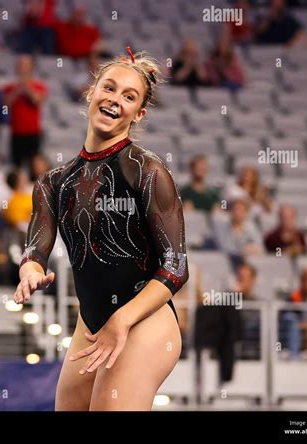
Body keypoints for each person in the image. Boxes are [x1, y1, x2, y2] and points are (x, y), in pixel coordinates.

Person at [13, 48, 189, 410]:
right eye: (108, 88)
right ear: (91, 92)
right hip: (91, 323)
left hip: (144, 321)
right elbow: (36, 247)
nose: (114, 100)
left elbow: (176, 266)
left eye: (129, 96)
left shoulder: (148, 172)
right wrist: (30, 269)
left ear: (139, 113)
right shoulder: (53, 182)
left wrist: (121, 321)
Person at [4, 55, 48, 167]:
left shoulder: (39, 86)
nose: (22, 68)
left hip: (33, 133)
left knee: (33, 166)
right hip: (16, 132)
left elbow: (37, 100)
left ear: (31, 68)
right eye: (20, 65)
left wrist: (26, 87)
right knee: (16, 166)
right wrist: (18, 89)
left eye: (25, 66)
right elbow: (6, 104)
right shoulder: (10, 87)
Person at [213, 198, 263, 266]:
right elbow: (223, 248)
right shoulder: (221, 228)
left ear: (246, 213)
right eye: (235, 210)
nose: (237, 213)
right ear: (230, 212)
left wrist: (253, 249)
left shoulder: (252, 227)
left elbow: (259, 246)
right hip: (226, 263)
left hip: (247, 264)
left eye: (241, 210)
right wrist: (242, 251)